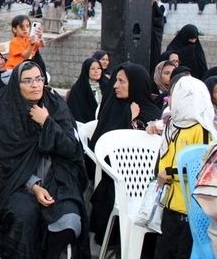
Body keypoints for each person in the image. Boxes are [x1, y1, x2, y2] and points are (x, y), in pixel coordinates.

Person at [0, 61, 89, 258]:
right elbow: (9, 160)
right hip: (19, 182)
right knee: (23, 215)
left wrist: (47, 122)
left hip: (59, 177)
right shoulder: (11, 114)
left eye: (39, 79)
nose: (35, 85)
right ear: (17, 85)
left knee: (69, 220)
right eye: (27, 81)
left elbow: (71, 149)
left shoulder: (55, 105)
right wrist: (34, 186)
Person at [89, 62, 161, 246]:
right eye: (116, 80)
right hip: (117, 180)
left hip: (149, 182)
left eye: (122, 81)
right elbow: (101, 144)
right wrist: (127, 117)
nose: (115, 85)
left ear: (136, 84)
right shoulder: (114, 106)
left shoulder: (153, 112)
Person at [147, 76, 215, 258]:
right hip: (170, 204)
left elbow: (200, 168)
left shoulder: (202, 130)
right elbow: (164, 157)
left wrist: (169, 173)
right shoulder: (174, 125)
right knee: (163, 252)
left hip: (190, 210)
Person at [66, 58, 107, 123]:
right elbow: (75, 112)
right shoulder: (78, 89)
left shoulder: (107, 85)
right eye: (92, 69)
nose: (96, 71)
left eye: (99, 68)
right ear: (86, 70)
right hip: (85, 125)